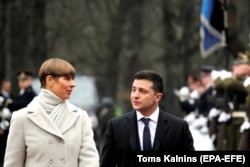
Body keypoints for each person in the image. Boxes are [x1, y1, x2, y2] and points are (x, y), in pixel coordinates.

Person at [4, 58, 99, 167]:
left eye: (73, 79)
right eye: (67, 79)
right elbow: (12, 164)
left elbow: (90, 161)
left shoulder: (80, 117)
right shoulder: (21, 118)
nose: (73, 84)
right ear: (50, 80)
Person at [100, 70, 194, 167]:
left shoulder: (178, 128)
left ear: (157, 97)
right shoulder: (116, 127)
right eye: (133, 90)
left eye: (142, 91)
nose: (135, 95)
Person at [0, 80, 14, 167]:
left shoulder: (11, 96)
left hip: (7, 126)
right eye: (6, 85)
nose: (8, 87)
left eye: (9, 85)